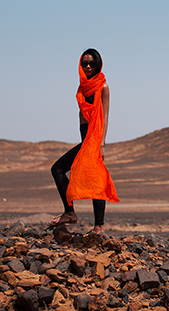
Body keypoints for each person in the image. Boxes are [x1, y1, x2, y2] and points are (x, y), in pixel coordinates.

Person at [48, 48, 119, 233]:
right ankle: (70, 213)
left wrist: (101, 144)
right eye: (84, 63)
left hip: (95, 137)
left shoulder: (103, 87)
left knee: (96, 179)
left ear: (98, 65)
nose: (88, 67)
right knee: (58, 169)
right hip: (85, 135)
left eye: (92, 64)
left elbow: (105, 116)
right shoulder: (82, 87)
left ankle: (99, 226)